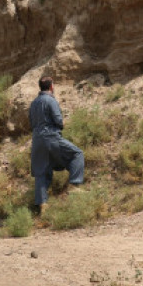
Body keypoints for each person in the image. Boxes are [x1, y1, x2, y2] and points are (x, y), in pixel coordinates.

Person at [29, 76, 84, 213]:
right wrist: (62, 124)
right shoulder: (50, 100)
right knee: (76, 154)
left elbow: (31, 122)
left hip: (36, 140)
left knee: (41, 171)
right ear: (51, 87)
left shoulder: (34, 103)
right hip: (51, 137)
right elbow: (58, 121)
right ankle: (75, 186)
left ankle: (43, 206)